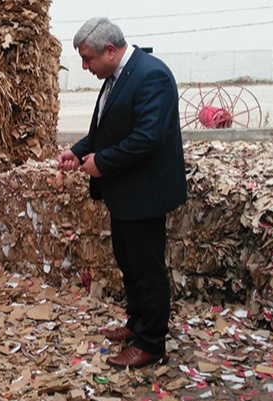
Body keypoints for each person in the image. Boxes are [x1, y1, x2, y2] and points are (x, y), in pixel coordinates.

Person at [57, 17, 187, 369]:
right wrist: (81, 151)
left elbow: (147, 137)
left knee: (147, 268)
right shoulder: (117, 77)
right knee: (129, 263)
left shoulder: (152, 76)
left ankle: (151, 343)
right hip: (125, 193)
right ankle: (137, 323)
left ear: (110, 51)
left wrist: (104, 162)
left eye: (88, 59)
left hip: (145, 193)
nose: (84, 67)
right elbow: (106, 131)